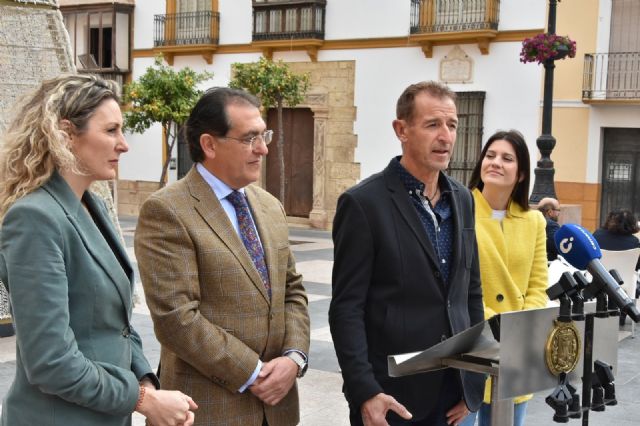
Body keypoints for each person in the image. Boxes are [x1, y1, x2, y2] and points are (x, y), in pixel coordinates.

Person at [0, 74, 197, 426]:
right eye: (111, 131)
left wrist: (147, 383)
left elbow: (116, 325)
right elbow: (50, 362)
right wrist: (143, 401)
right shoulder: (35, 218)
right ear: (66, 134)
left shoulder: (93, 207)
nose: (124, 144)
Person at [134, 87, 310, 426]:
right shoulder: (167, 210)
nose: (263, 148)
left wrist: (294, 358)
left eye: (263, 135)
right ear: (209, 144)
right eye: (249, 139)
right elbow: (177, 319)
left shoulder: (270, 206)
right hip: (207, 410)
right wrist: (255, 374)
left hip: (279, 410)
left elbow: (293, 291)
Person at [329, 81, 485, 426]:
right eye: (433, 125)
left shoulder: (462, 199)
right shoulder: (364, 204)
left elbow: (469, 293)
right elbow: (346, 309)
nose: (446, 136)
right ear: (402, 130)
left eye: (452, 125)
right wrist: (365, 392)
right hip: (391, 398)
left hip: (452, 392)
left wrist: (474, 379)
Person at [462, 130, 548, 426]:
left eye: (507, 158)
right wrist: (496, 326)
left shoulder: (534, 221)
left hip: (517, 350)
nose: (496, 162)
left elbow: (538, 285)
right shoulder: (461, 211)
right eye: (490, 155)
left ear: (521, 173)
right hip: (470, 343)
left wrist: (520, 327)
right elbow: (455, 286)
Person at [593, 209, 640, 325]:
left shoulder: (597, 235)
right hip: (623, 281)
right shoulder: (634, 242)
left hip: (598, 278)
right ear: (631, 223)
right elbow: (637, 267)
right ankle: (622, 312)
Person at [538, 197, 561, 261]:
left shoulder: (535, 221)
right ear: (550, 212)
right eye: (558, 210)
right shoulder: (551, 225)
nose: (559, 213)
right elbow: (559, 248)